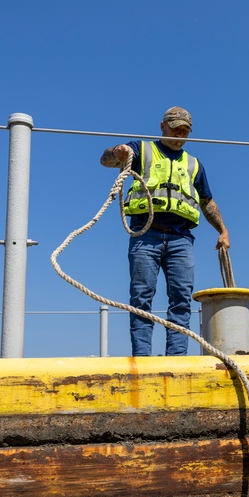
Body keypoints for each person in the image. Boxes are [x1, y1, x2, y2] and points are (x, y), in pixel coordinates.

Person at [100, 106, 230, 356]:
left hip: (181, 239)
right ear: (162, 126)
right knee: (141, 298)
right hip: (145, 235)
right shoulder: (141, 150)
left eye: (184, 131)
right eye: (175, 128)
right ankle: (142, 358)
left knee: (181, 300)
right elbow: (105, 160)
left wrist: (223, 230)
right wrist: (117, 152)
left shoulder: (194, 165)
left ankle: (177, 358)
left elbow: (207, 202)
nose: (180, 134)